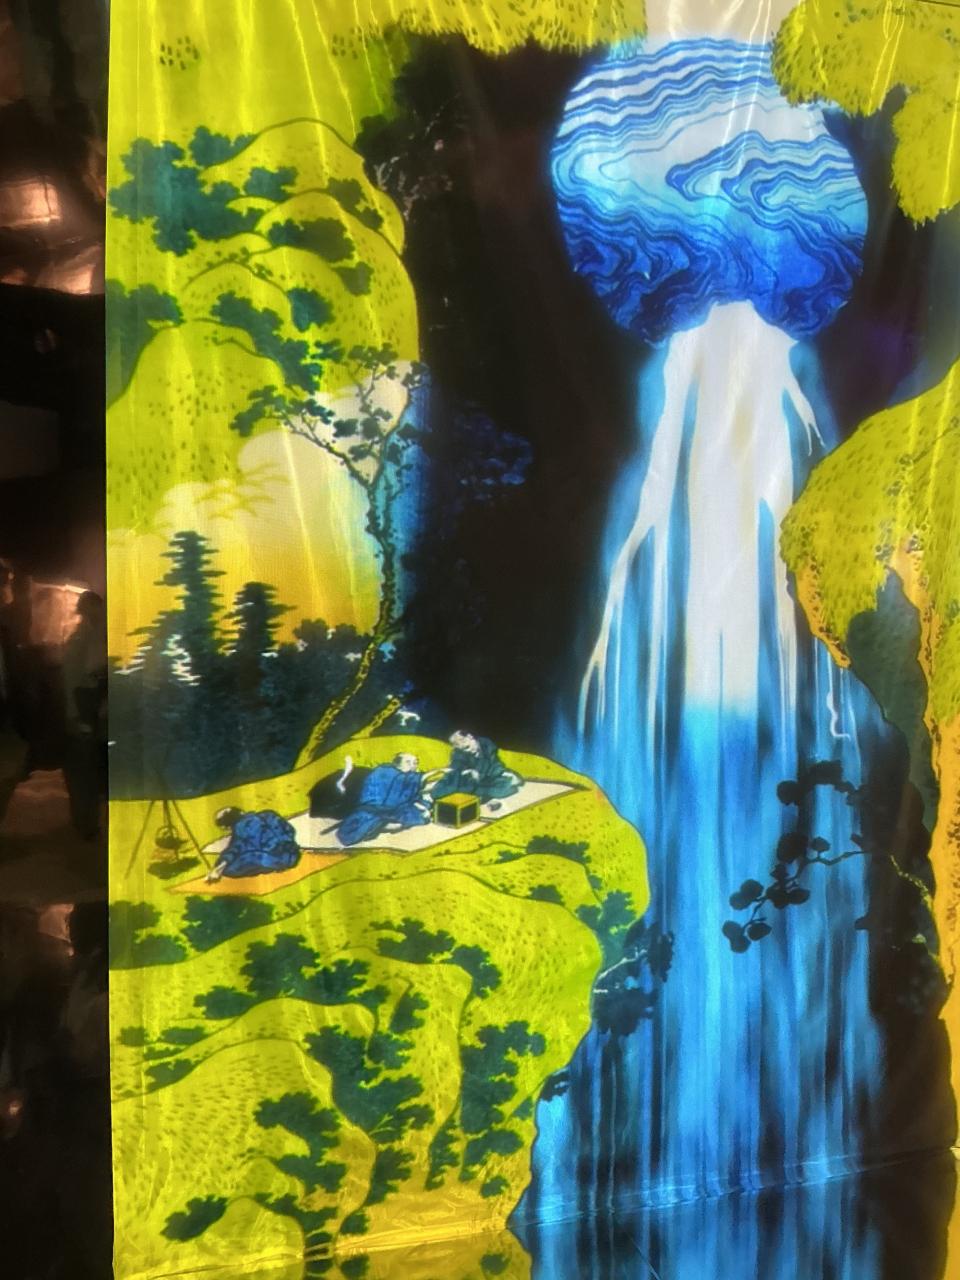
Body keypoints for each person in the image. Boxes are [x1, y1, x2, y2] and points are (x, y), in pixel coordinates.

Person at [61, 591, 107, 840]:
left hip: (89, 714)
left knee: (86, 772)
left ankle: (86, 822)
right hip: (86, 714)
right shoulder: (86, 638)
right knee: (85, 772)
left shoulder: (84, 637)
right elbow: (82, 677)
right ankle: (86, 824)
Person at [337, 752, 430, 847]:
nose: (412, 765)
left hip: (393, 810)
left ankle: (377, 826)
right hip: (373, 808)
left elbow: (411, 796)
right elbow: (376, 793)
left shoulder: (412, 777)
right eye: (408, 762)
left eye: (415, 762)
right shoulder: (383, 771)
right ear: (398, 763)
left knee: (414, 817)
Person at [205, 807, 301, 881]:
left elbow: (234, 850)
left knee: (229, 869)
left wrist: (219, 867)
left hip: (275, 860)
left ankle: (275, 865)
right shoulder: (269, 813)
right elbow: (290, 830)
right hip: (293, 854)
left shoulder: (240, 828)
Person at [430, 731, 521, 805]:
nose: (468, 751)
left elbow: (495, 766)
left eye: (467, 747)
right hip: (467, 780)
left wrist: (480, 775)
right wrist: (468, 772)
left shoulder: (487, 745)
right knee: (438, 791)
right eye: (463, 750)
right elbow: (456, 768)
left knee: (500, 787)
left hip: (487, 779)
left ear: (470, 737)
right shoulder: (458, 752)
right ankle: (478, 794)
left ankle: (478, 794)